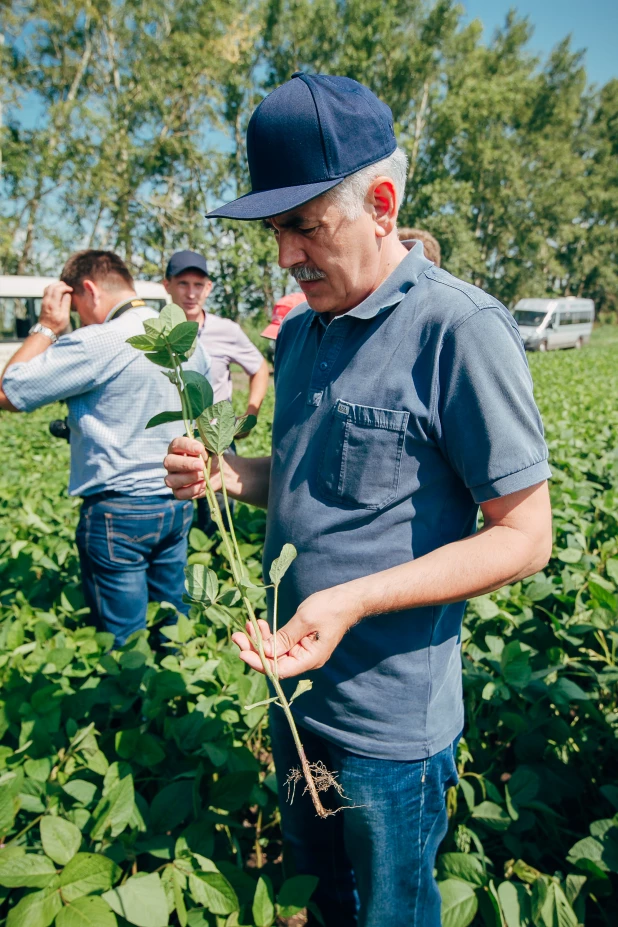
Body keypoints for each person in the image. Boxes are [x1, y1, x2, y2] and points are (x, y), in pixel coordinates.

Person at [163, 73, 552, 927]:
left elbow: (526, 536)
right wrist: (233, 473)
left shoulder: (461, 329)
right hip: (296, 700)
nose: (285, 257)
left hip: (388, 729)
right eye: (275, 231)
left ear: (381, 203)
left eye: (304, 227)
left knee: (389, 909)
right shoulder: (301, 330)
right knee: (321, 889)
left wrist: (355, 598)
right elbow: (305, 472)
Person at [0, 250, 210, 647]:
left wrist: (47, 326)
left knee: (122, 641)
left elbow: (8, 390)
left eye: (76, 308)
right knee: (174, 623)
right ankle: (175, 696)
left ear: (89, 291)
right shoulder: (186, 338)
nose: (78, 318)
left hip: (118, 510)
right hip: (177, 501)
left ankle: (128, 701)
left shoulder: (97, 340)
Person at [163, 250, 269, 416]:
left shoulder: (226, 330)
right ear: (167, 286)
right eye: (183, 284)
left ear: (208, 288)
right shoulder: (159, 335)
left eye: (198, 285)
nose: (191, 294)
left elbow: (259, 368)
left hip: (215, 439)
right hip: (171, 439)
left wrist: (250, 414)